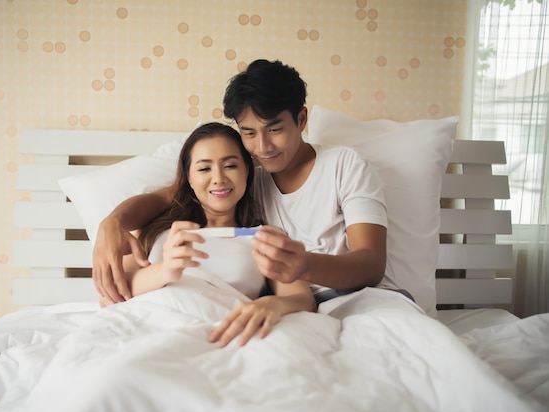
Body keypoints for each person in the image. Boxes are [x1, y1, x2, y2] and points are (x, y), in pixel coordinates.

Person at [93, 59, 397, 310]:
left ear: (301, 119)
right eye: (249, 133)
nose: (263, 146)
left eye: (275, 129)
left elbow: (371, 263)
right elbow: (172, 195)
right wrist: (113, 221)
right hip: (279, 308)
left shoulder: (344, 165)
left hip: (354, 300)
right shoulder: (247, 175)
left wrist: (302, 267)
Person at [99, 121, 316, 347]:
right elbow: (109, 296)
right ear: (189, 178)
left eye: (230, 166)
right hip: (148, 330)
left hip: (220, 336)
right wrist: (166, 270)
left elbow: (303, 299)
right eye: (204, 168)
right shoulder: (156, 229)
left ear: (247, 172)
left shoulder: (262, 236)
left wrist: (273, 304)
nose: (218, 178)